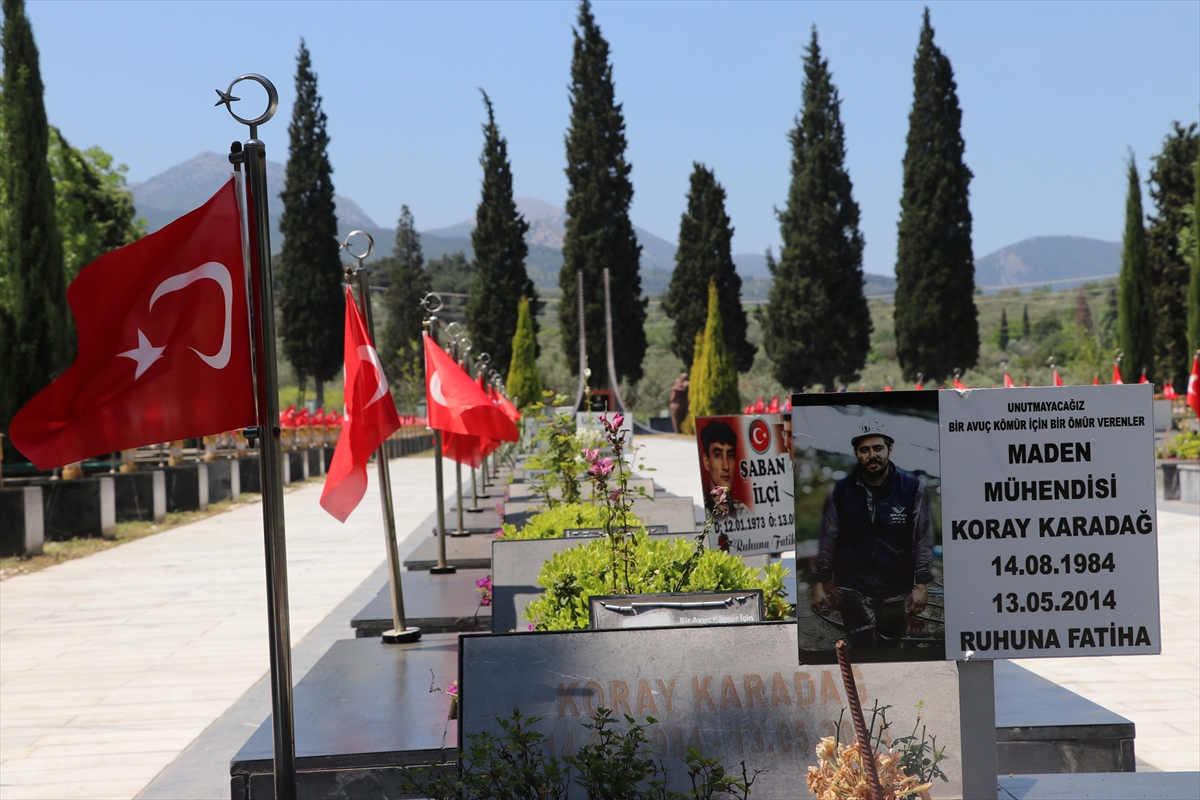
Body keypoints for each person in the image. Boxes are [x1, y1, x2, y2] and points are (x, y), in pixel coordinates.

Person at [812, 419, 934, 649]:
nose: (872, 455)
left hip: (895, 586)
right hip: (851, 586)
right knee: (861, 647)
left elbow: (922, 540)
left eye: (877, 448)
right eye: (864, 450)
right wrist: (820, 582)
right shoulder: (840, 491)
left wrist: (921, 586)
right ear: (857, 453)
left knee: (889, 646)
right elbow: (828, 538)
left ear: (889, 449)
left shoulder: (912, 488)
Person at [699, 419, 749, 517]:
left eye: (730, 455)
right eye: (718, 455)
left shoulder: (744, 513)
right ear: (706, 462)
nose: (726, 466)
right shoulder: (701, 513)